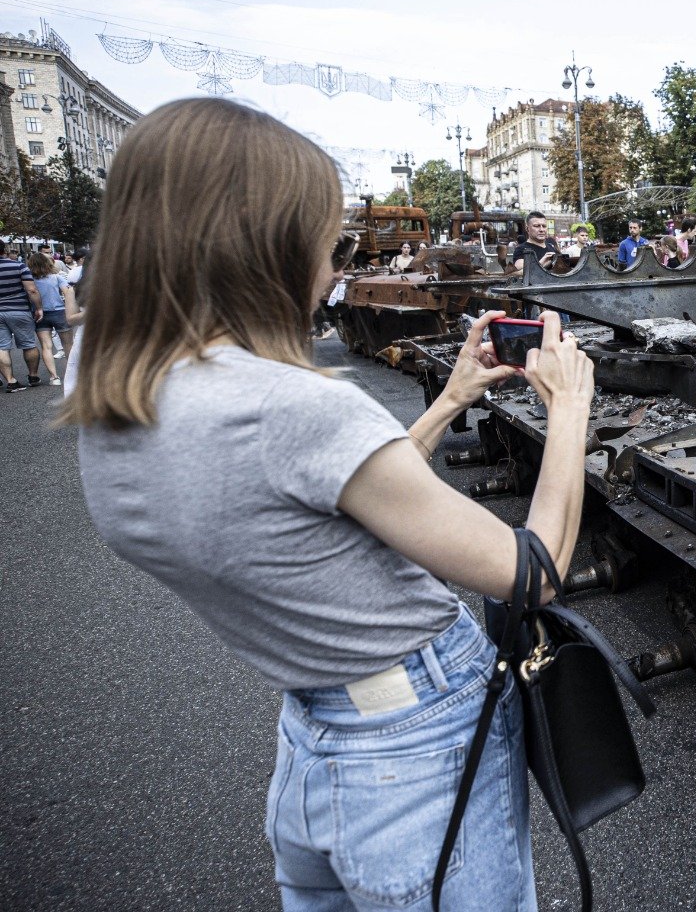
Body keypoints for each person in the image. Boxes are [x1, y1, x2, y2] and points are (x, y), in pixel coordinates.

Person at [67, 98, 596, 910]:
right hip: (417, 736)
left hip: (317, 739)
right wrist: (567, 413)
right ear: (265, 246)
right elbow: (531, 574)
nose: (335, 267)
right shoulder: (291, 407)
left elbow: (327, 501)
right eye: (328, 243)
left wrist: (449, 399)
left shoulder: (113, 393)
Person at [27, 251, 74, 385]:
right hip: (59, 311)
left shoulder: (29, 280)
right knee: (68, 345)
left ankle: (54, 377)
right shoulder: (57, 277)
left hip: (39, 314)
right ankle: (72, 375)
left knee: (46, 346)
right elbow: (68, 292)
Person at [0, 245, 43, 391]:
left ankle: (11, 381)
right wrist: (38, 308)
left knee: (1, 347)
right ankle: (33, 376)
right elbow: (31, 290)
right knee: (29, 344)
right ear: (4, 250)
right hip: (19, 310)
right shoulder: (19, 266)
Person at [508, 211, 559, 277]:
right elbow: (517, 273)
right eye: (536, 226)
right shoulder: (522, 249)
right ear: (527, 228)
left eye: (544, 226)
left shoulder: (551, 247)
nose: (541, 229)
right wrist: (540, 264)